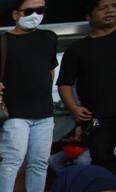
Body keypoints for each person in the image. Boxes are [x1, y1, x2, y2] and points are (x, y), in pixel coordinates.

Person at [0, 0, 58, 192]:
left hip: (44, 112)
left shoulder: (49, 38)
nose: (35, 14)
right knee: (13, 159)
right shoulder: (2, 41)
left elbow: (50, 71)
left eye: (40, 10)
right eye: (29, 11)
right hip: (14, 113)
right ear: (16, 14)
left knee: (40, 160)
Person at [57, 0, 116, 176]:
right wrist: (73, 107)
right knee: (103, 163)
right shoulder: (77, 49)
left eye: (114, 6)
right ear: (89, 17)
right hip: (97, 118)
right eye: (102, 8)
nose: (110, 11)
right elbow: (64, 83)